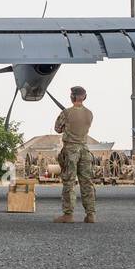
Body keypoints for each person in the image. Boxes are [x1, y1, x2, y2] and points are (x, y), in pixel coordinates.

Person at [54, 85, 96, 224]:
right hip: (85, 150)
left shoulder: (66, 113)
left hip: (71, 150)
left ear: (72, 97)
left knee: (69, 183)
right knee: (87, 183)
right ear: (84, 97)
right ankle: (90, 215)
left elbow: (57, 129)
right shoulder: (90, 113)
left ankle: (68, 214)